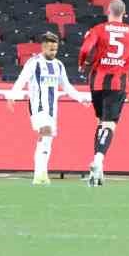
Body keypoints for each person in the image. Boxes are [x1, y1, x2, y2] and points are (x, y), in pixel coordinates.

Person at [77, 0, 129, 187]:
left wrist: (82, 64)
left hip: (97, 82)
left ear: (108, 11)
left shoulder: (98, 29)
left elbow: (85, 49)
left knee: (101, 122)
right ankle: (99, 159)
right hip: (118, 84)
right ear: (124, 13)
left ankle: (97, 170)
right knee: (109, 124)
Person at [8, 31, 91, 185]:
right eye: (51, 49)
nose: (53, 52)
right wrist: (12, 95)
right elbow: (22, 79)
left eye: (55, 49)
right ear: (43, 47)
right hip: (38, 106)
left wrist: (80, 98)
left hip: (52, 109)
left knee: (47, 138)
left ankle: (42, 174)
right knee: (45, 132)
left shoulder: (59, 65)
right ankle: (39, 174)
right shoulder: (34, 62)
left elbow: (66, 86)